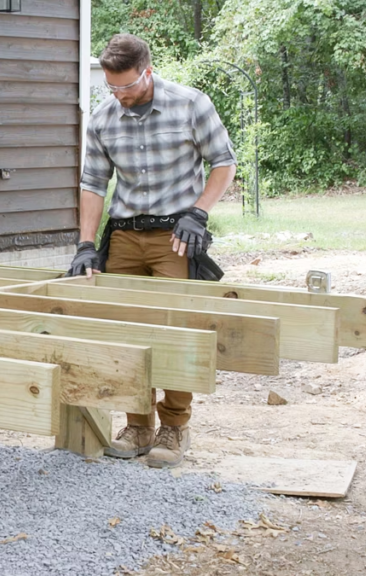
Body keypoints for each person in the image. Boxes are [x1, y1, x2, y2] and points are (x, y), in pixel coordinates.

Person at [69, 34, 237, 468]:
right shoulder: (104, 118)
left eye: (126, 87)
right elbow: (92, 184)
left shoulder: (190, 104)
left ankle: (174, 426)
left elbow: (224, 162)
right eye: (112, 88)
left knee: (173, 329)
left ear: (147, 70)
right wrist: (86, 244)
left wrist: (198, 213)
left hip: (175, 237)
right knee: (123, 330)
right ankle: (138, 424)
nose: (119, 96)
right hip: (124, 236)